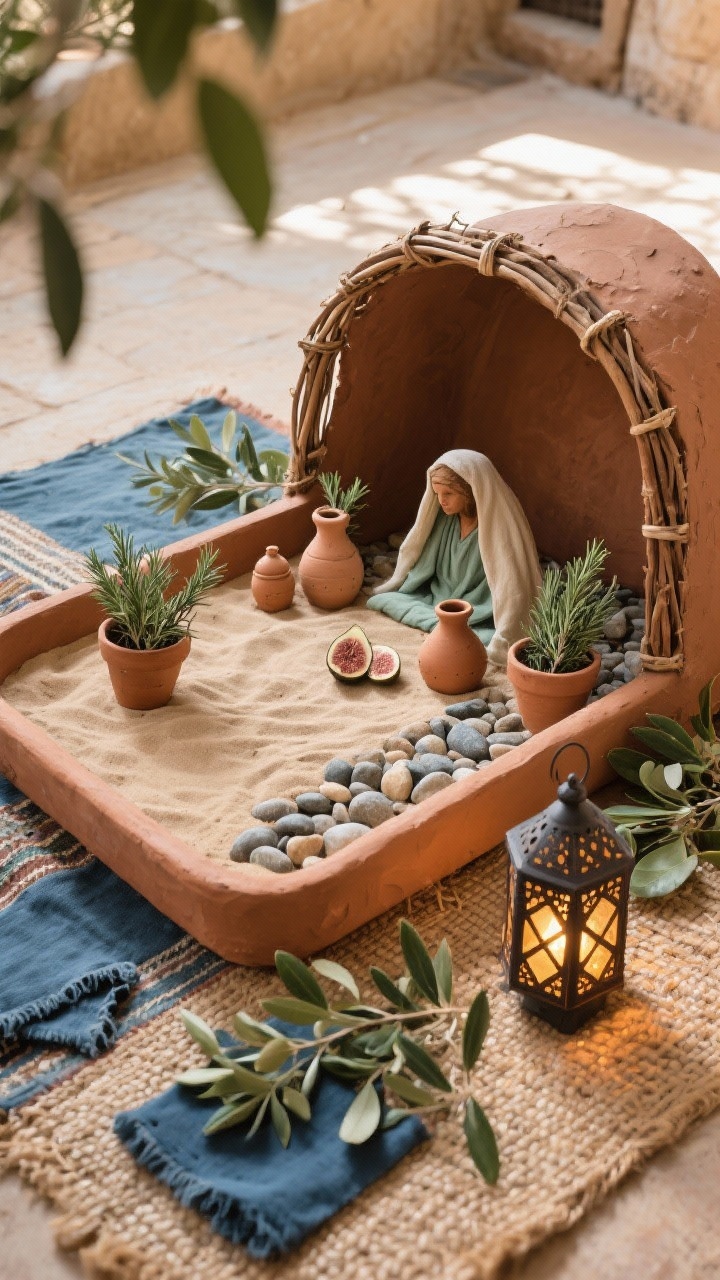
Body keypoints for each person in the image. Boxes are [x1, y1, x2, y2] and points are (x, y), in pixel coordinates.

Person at [366, 449, 541, 666]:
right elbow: (425, 566)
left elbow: (510, 588)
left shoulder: (500, 528)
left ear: (470, 491)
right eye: (437, 493)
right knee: (384, 600)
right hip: (440, 598)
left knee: (490, 639)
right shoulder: (445, 520)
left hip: (481, 610)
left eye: (448, 493)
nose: (441, 501)